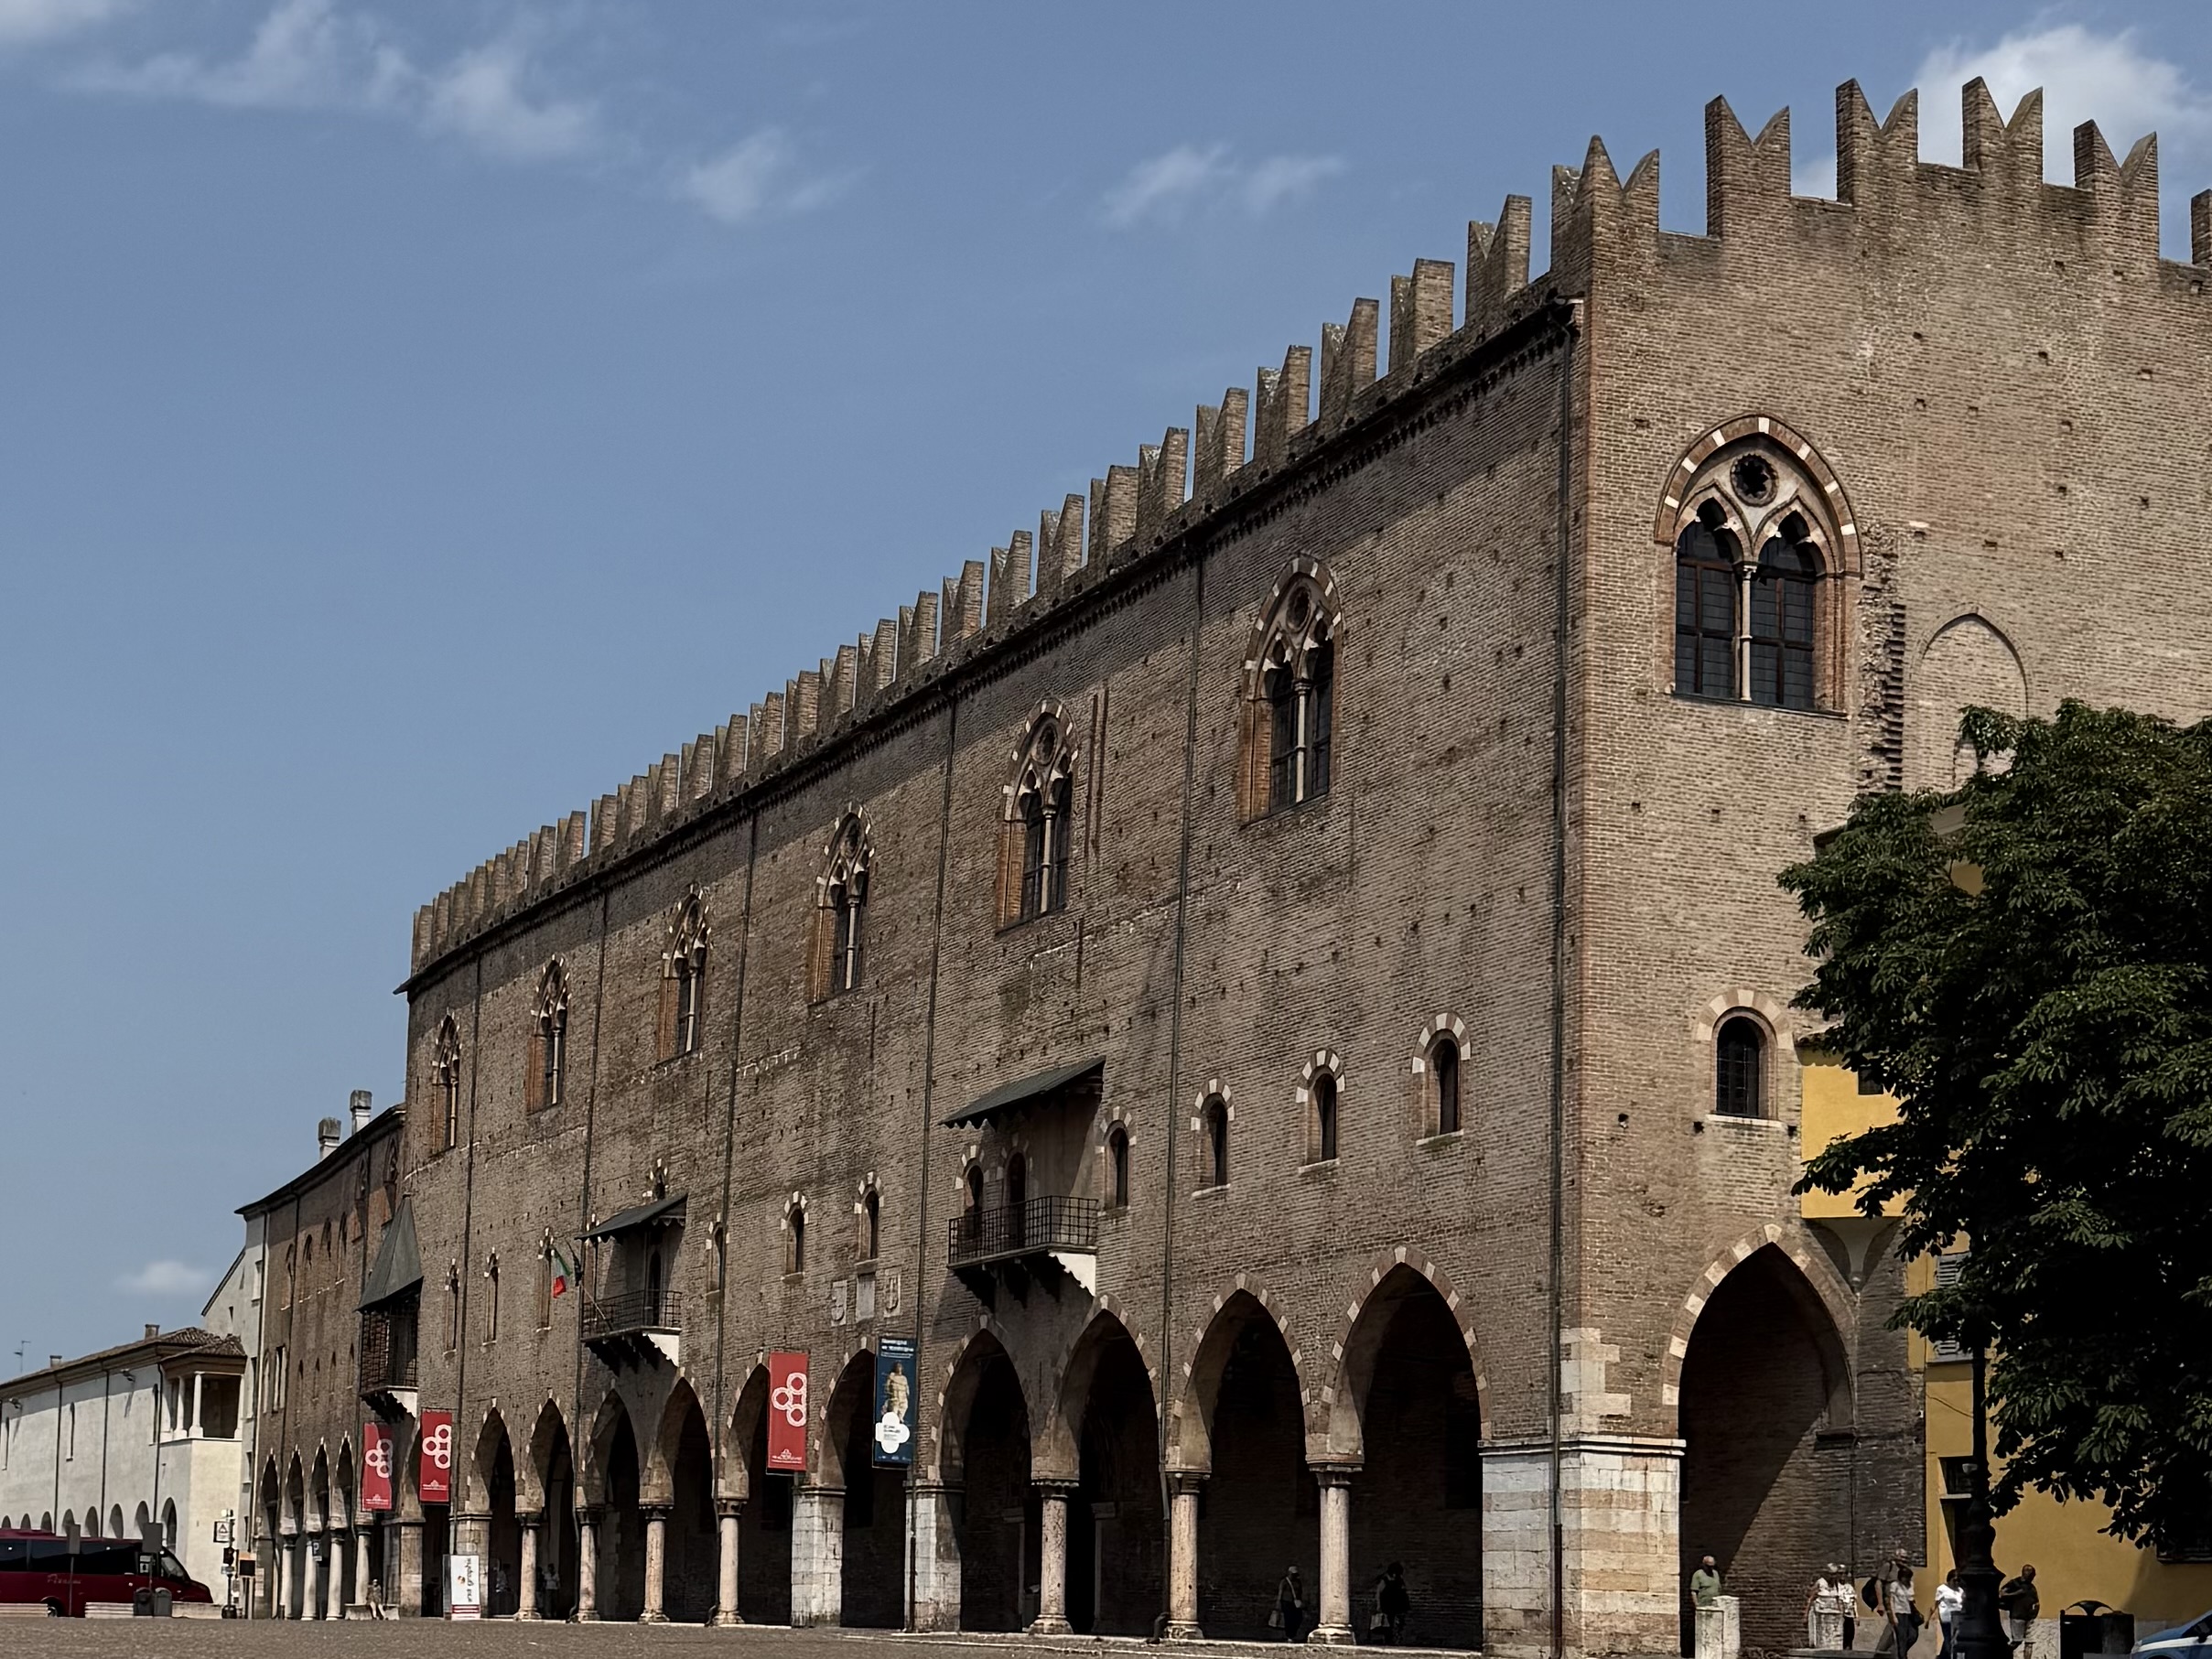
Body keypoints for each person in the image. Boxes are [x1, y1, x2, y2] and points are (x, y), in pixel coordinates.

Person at [1881, 1557, 1920, 1657]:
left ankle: (1900, 1652)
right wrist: (1893, 1616)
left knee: (1913, 1635)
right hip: (1899, 1613)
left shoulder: (1910, 1584)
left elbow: (1911, 1598)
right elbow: (1891, 1600)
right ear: (1901, 1577)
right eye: (1905, 1577)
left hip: (1909, 1612)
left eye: (1909, 1577)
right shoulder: (1895, 1585)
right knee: (1901, 1637)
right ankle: (1902, 1655)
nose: (1907, 1580)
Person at [1807, 1564, 1853, 1650]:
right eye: (1831, 1574)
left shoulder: (1837, 1585)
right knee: (1823, 1639)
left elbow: (1838, 1600)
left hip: (1834, 1616)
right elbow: (1811, 1598)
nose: (1833, 1576)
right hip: (1821, 1615)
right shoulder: (1820, 1583)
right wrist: (1805, 1615)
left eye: (1835, 1574)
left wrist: (1841, 1613)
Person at [1998, 1565, 2040, 1654]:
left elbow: (2035, 1600)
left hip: (2030, 1617)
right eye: (2031, 1574)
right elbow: (2002, 1593)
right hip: (2017, 1616)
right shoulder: (2014, 1583)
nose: (2033, 1576)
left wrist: (2035, 1609)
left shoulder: (2031, 1586)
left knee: (2029, 1642)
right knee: (2017, 1641)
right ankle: (2003, 1654)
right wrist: (2016, 1593)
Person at [1371, 1561, 1410, 1644]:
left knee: (1397, 1623)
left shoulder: (1399, 1580)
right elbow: (1379, 1593)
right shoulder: (1384, 1580)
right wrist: (1379, 1605)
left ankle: (1396, 1638)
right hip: (1387, 1605)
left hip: (1397, 1605)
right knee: (1387, 1623)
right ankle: (1388, 1639)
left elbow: (1403, 1592)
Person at [1274, 1565, 1306, 1643]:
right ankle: (1289, 1635)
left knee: (1298, 1618)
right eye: (1292, 1574)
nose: (1294, 1576)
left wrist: (1300, 1601)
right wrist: (1278, 1603)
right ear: (1289, 1573)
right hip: (1286, 1602)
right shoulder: (1284, 1581)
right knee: (1288, 1619)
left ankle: (1293, 1634)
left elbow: (1300, 1592)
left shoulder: (1298, 1582)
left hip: (1295, 1603)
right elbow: (1280, 1592)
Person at [1936, 1568, 1963, 1659]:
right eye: (1954, 1580)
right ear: (1949, 1579)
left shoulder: (1960, 1590)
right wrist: (1929, 1619)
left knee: (1953, 1639)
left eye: (1958, 1580)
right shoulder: (1942, 1589)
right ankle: (1948, 1656)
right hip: (1946, 1618)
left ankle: (1942, 1657)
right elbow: (1936, 1604)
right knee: (1948, 1638)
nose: (1956, 1583)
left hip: (1958, 1618)